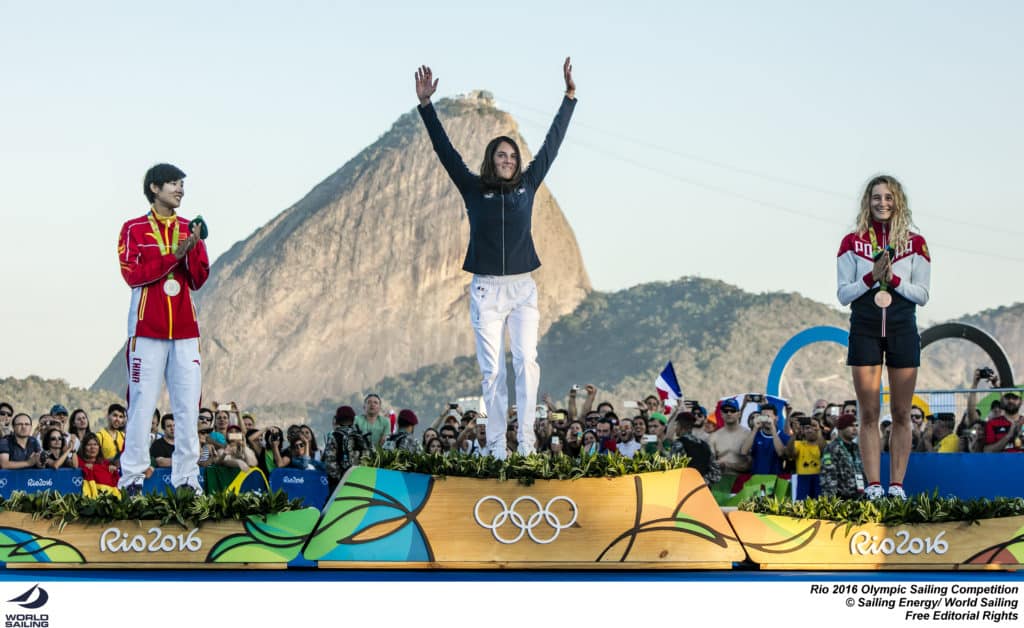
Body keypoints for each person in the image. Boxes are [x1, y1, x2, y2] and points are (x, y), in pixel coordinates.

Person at [415, 58, 577, 459]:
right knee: (494, 373)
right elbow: (444, 150)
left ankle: (524, 444)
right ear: (492, 159)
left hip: (522, 288)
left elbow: (552, 145)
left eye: (512, 156)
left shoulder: (528, 185)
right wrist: (426, 107)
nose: (508, 160)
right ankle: (496, 449)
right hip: (487, 290)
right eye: (501, 156)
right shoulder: (472, 188)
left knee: (527, 362)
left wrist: (569, 98)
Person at [117, 163, 210, 496]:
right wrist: (174, 255)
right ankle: (132, 479)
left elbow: (198, 279)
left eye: (182, 184)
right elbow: (133, 275)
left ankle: (186, 480)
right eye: (173, 183)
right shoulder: (134, 229)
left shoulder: (189, 228)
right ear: (154, 188)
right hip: (147, 329)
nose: (180, 189)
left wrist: (194, 248)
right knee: (142, 402)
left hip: (185, 330)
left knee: (188, 406)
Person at [837, 174, 930, 500]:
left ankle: (897, 487)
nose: (882, 203)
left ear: (897, 201)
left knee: (902, 413)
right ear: (868, 201)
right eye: (876, 197)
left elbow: (923, 294)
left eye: (888, 197)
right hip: (864, 328)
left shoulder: (915, 243)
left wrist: (893, 279)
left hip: (903, 327)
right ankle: (874, 485)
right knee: (869, 414)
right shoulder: (852, 241)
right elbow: (843, 294)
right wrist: (871, 277)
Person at [820, 413, 865, 499]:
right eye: (851, 426)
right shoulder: (832, 448)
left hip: (859, 496)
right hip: (841, 498)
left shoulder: (857, 448)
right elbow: (828, 476)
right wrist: (831, 500)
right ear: (841, 428)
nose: (855, 429)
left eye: (856, 425)